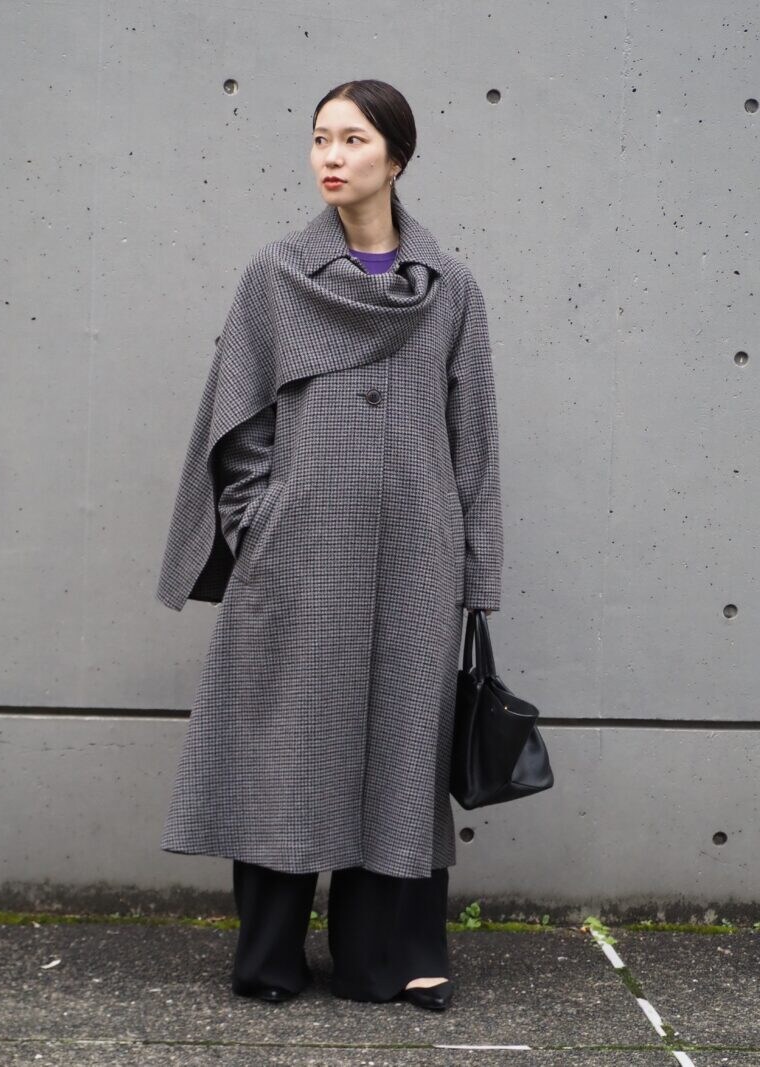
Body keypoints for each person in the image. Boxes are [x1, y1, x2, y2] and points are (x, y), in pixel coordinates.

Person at [155, 79, 503, 1012]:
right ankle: (270, 956)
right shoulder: (276, 275)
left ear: (397, 157)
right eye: (320, 138)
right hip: (300, 552)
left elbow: (474, 436)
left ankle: (384, 959)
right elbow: (237, 417)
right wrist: (257, 520)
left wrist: (476, 567)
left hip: (418, 555)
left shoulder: (450, 287)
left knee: (402, 752)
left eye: (353, 139)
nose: (332, 157)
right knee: (290, 746)